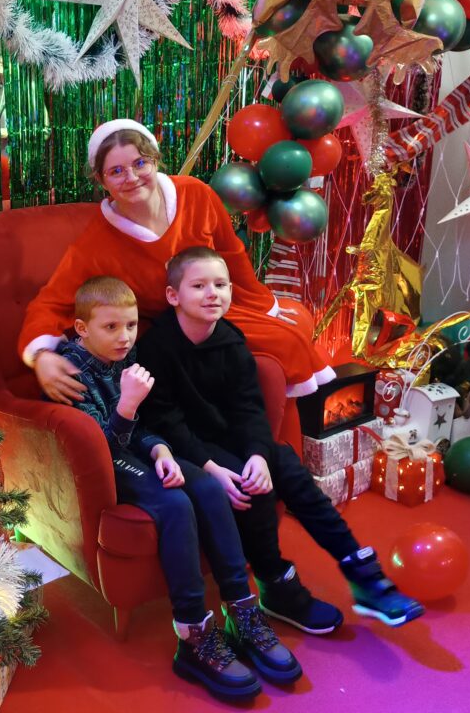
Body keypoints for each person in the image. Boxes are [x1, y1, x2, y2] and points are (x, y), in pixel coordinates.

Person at [136, 246, 425, 632]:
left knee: (286, 465)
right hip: (184, 448)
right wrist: (212, 467)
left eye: (220, 285)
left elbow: (249, 409)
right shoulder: (156, 347)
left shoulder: (231, 341)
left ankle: (364, 575)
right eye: (199, 286)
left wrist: (259, 453)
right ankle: (276, 585)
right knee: (249, 485)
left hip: (228, 438)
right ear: (174, 296)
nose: (212, 294)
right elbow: (165, 421)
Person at [52, 275, 302, 699]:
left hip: (138, 448)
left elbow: (145, 426)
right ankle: (193, 634)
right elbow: (99, 447)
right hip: (104, 463)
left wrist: (162, 450)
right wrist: (128, 404)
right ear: (82, 328)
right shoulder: (70, 372)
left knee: (207, 487)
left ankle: (241, 611)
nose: (124, 337)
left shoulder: (128, 355)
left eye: (131, 326)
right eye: (111, 327)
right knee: (174, 505)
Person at [17, 118, 336, 410]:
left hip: (216, 311)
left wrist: (264, 307)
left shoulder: (197, 194)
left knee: (289, 338)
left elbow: (231, 256)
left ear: (155, 160)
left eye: (139, 163)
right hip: (167, 335)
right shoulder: (94, 244)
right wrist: (41, 355)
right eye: (116, 171)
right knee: (279, 345)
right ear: (101, 180)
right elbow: (51, 302)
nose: (131, 178)